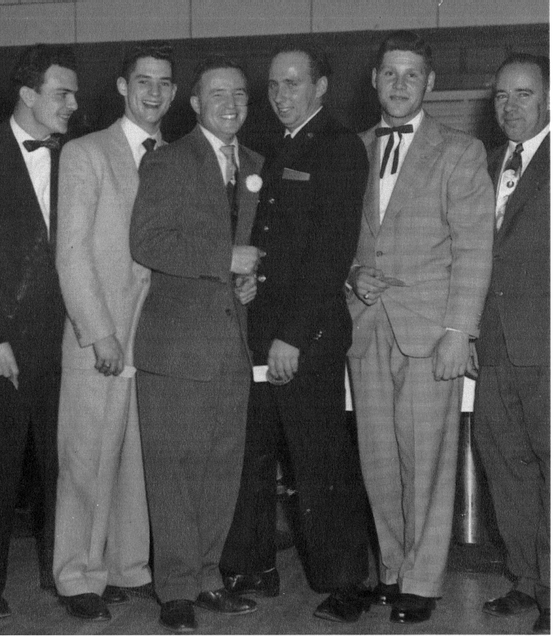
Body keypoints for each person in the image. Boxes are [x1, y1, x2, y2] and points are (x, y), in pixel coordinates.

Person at [219, 43, 372, 624]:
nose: (282, 95)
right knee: (255, 455)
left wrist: (292, 334)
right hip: (264, 329)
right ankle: (256, 565)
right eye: (275, 86)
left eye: (293, 84)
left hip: (304, 336)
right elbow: (273, 242)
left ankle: (344, 584)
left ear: (322, 87)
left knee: (320, 461)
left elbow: (331, 253)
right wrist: (250, 284)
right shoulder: (276, 146)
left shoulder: (338, 147)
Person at [347, 30, 494, 625]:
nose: (400, 84)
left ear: (430, 84)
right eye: (390, 73)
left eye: (412, 75)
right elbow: (344, 242)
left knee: (427, 461)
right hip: (368, 325)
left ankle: (424, 578)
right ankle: (391, 567)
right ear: (375, 80)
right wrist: (354, 274)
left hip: (432, 331)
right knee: (378, 458)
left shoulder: (460, 151)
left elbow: (474, 247)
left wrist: (460, 330)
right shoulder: (353, 148)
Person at [130, 56, 264, 633]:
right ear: (195, 102)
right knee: (174, 472)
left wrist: (250, 279)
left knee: (221, 469)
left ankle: (208, 576)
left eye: (239, 94)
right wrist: (223, 261)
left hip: (231, 346)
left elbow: (254, 248)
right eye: (217, 94)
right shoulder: (169, 160)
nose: (229, 103)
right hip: (176, 346)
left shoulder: (256, 164)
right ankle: (177, 588)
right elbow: (147, 241)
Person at [0, 43, 78, 621]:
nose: (73, 105)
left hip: (66, 338)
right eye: (61, 93)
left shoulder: (76, 156)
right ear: (27, 95)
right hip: (0, 343)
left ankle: (66, 574)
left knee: (63, 464)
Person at [52, 42, 176, 621]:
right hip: (100, 333)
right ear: (123, 88)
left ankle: (129, 569)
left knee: (136, 461)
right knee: (88, 459)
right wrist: (97, 330)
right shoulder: (85, 153)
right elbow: (70, 251)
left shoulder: (177, 156)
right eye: (142, 81)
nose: (154, 92)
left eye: (164, 83)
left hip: (154, 334)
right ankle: (78, 576)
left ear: (174, 93)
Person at [472, 53, 549, 635]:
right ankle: (530, 580)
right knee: (507, 467)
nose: (510, 106)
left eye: (524, 94)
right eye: (501, 95)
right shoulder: (490, 162)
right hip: (494, 348)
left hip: (546, 346)